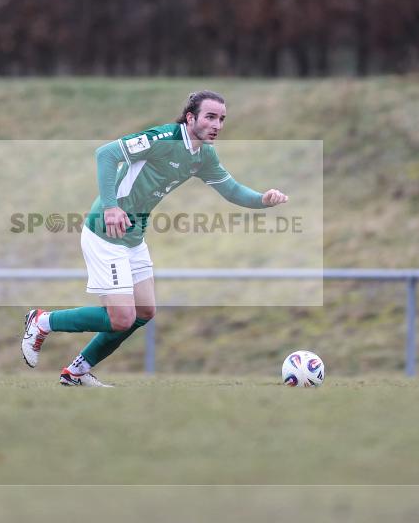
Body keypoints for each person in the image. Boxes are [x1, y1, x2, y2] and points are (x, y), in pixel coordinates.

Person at [21, 90, 289, 386]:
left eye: (222, 119)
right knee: (122, 318)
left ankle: (77, 372)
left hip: (134, 236)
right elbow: (106, 154)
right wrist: (111, 207)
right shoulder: (162, 138)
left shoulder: (204, 155)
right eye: (210, 117)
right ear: (191, 118)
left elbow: (232, 190)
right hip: (105, 233)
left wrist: (263, 200)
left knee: (144, 311)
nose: (217, 125)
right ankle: (42, 322)